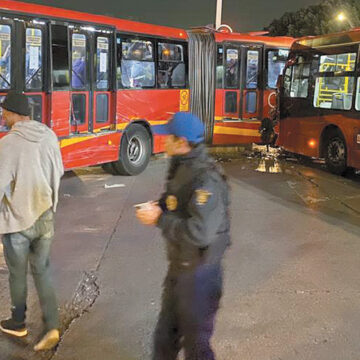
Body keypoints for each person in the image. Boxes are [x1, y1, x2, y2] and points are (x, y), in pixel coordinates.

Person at [136, 112, 230, 360]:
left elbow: (200, 232)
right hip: (180, 269)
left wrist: (159, 219)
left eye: (168, 137)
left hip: (200, 276)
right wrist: (160, 206)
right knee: (164, 338)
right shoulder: (181, 166)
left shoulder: (205, 179)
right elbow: (175, 202)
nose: (163, 141)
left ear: (182, 142)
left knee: (196, 348)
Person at [0, 91, 64, 351]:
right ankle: (52, 325)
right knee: (42, 270)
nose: (3, 116)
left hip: (18, 221)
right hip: (45, 215)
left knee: (17, 273)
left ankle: (18, 322)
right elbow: (57, 171)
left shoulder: (9, 143)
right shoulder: (48, 135)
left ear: (14, 114)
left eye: (4, 112)